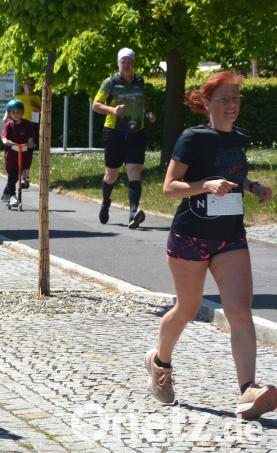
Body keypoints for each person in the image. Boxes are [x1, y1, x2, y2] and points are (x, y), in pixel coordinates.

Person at [147, 70, 276, 420]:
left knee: (240, 311)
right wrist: (204, 185)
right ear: (207, 103)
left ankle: (247, 390)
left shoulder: (239, 138)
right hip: (190, 236)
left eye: (236, 98)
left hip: (230, 236)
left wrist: (253, 187)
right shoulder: (193, 138)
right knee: (187, 310)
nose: (232, 105)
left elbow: (234, 176)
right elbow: (169, 187)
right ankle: (160, 362)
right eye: (225, 99)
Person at [92, 48, 156, 229]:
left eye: (129, 62)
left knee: (135, 171)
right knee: (111, 174)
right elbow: (95, 105)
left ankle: (133, 213)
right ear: (118, 63)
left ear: (133, 64)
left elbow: (143, 102)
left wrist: (148, 113)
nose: (126, 65)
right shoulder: (110, 82)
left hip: (137, 132)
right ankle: (106, 202)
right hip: (115, 132)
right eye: (123, 62)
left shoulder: (139, 81)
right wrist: (112, 110)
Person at [0, 100, 35, 208]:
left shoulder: (27, 124)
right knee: (13, 176)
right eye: (13, 112)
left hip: (24, 152)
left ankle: (25, 176)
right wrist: (6, 141)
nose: (16, 114)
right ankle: (12, 196)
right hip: (11, 154)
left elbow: (30, 138)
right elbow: (4, 137)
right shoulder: (9, 125)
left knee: (19, 174)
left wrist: (30, 143)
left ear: (22, 112)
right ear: (10, 113)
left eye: (18, 112)